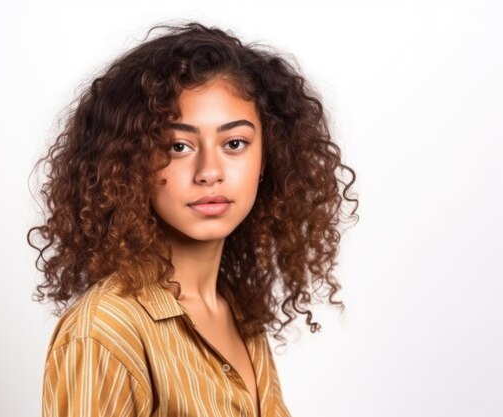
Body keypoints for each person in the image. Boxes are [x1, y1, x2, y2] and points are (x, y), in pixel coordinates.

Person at [28, 22, 359, 417]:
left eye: (234, 143)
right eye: (179, 146)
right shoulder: (105, 332)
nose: (209, 171)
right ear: (132, 162)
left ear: (267, 158)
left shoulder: (235, 314)